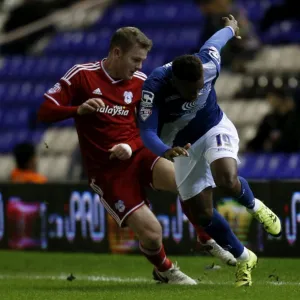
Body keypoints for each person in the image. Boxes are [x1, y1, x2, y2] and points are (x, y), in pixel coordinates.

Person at [38, 27, 202, 285]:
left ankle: (207, 238)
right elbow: (45, 110)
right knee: (152, 234)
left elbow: (150, 126)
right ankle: (165, 270)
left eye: (142, 61)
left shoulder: (140, 82)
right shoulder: (82, 76)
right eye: (135, 60)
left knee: (186, 179)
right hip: (108, 171)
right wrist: (77, 109)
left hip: (138, 154)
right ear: (116, 52)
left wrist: (138, 144)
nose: (139, 66)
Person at [138, 15, 282, 287]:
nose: (195, 94)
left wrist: (230, 27)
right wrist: (165, 151)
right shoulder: (155, 87)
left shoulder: (209, 63)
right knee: (202, 215)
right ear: (175, 83)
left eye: (199, 88)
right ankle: (243, 258)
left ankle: (257, 207)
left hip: (214, 127)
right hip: (181, 148)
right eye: (189, 91)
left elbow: (216, 41)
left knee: (227, 180)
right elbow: (146, 132)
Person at [246, 88, 300, 153]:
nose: (270, 101)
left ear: (280, 98)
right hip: (274, 154)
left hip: (292, 153)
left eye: (272, 98)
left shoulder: (294, 118)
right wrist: (250, 146)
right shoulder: (269, 119)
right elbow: (260, 136)